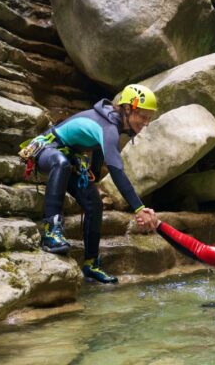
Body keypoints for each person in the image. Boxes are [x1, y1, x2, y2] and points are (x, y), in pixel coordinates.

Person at [20, 84, 158, 284]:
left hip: (69, 160)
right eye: (143, 116)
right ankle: (51, 232)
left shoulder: (112, 125)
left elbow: (99, 150)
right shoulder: (109, 127)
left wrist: (92, 175)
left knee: (94, 202)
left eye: (149, 118)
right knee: (62, 163)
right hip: (46, 150)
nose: (146, 123)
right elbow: (116, 170)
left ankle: (91, 264)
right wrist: (140, 208)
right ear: (128, 109)